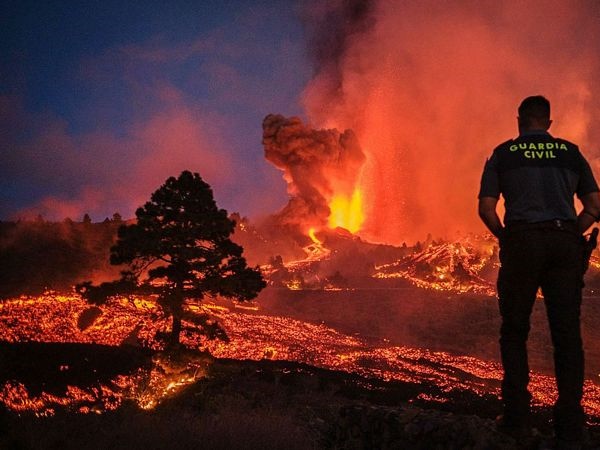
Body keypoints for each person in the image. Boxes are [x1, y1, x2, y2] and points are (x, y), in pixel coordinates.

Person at [478, 95, 600, 449]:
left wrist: (505, 235)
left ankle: (516, 418)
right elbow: (594, 205)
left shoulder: (503, 154)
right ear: (548, 123)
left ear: (520, 120)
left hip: (521, 242)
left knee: (515, 330)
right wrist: (572, 232)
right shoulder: (570, 152)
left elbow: (486, 208)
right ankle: (571, 427)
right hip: (564, 242)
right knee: (566, 334)